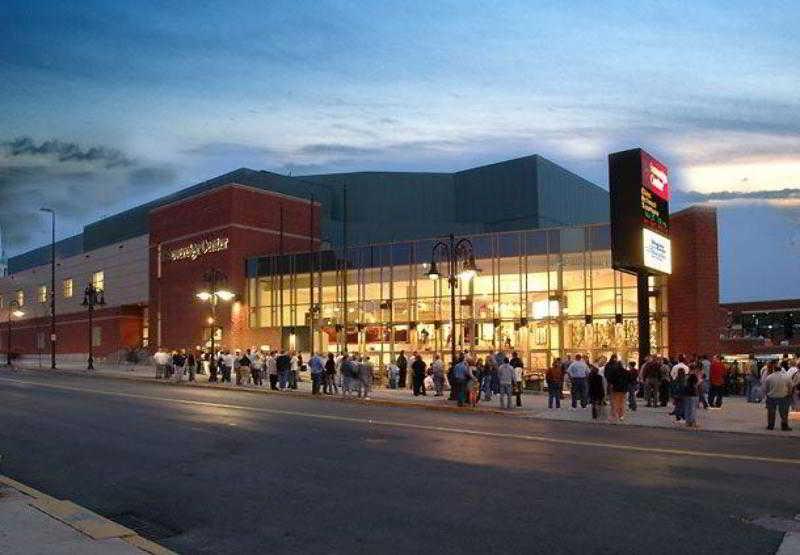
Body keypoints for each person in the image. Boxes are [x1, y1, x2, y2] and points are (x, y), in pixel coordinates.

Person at [764, 362, 793, 431]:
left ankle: (770, 425)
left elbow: (766, 388)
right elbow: (790, 387)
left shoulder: (769, 377)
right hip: (783, 396)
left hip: (771, 397)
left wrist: (768, 394)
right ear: (781, 369)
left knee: (771, 412)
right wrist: (789, 394)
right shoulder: (787, 377)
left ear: (774, 369)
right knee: (784, 412)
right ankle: (784, 425)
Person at [604, 354, 629, 422]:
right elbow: (629, 380)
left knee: (615, 403)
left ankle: (614, 416)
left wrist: (611, 384)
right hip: (623, 389)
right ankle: (621, 415)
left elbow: (609, 378)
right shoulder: (626, 372)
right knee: (622, 403)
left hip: (616, 389)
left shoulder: (614, 371)